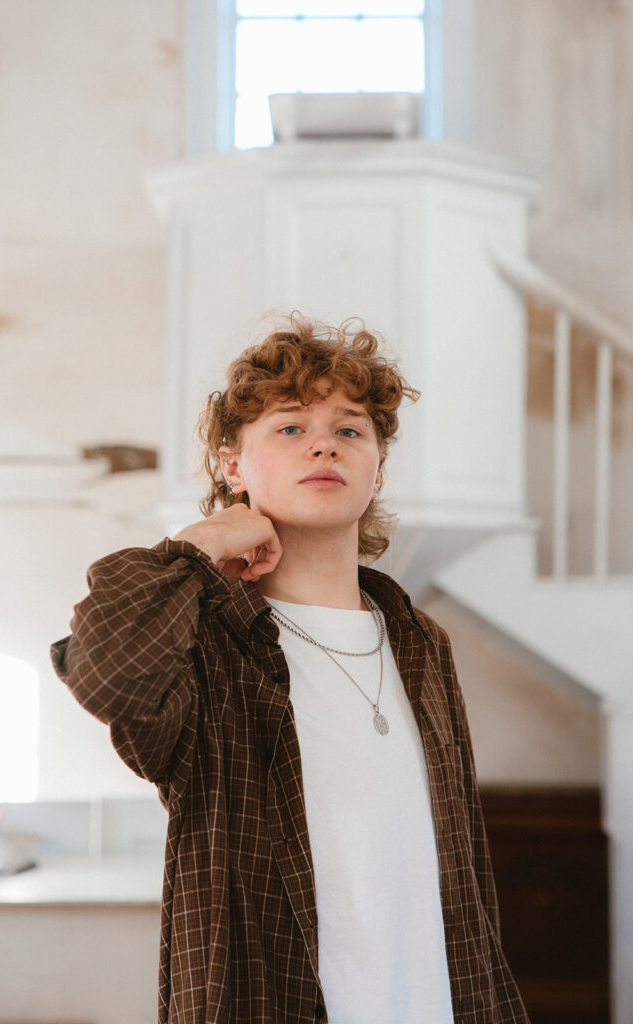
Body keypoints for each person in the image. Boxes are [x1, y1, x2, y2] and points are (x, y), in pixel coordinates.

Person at [51, 315, 530, 1024]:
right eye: (288, 427)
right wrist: (203, 541)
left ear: (375, 468)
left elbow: (462, 874)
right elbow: (108, 670)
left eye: (348, 430)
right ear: (231, 465)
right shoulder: (203, 642)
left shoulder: (419, 643)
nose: (322, 444)